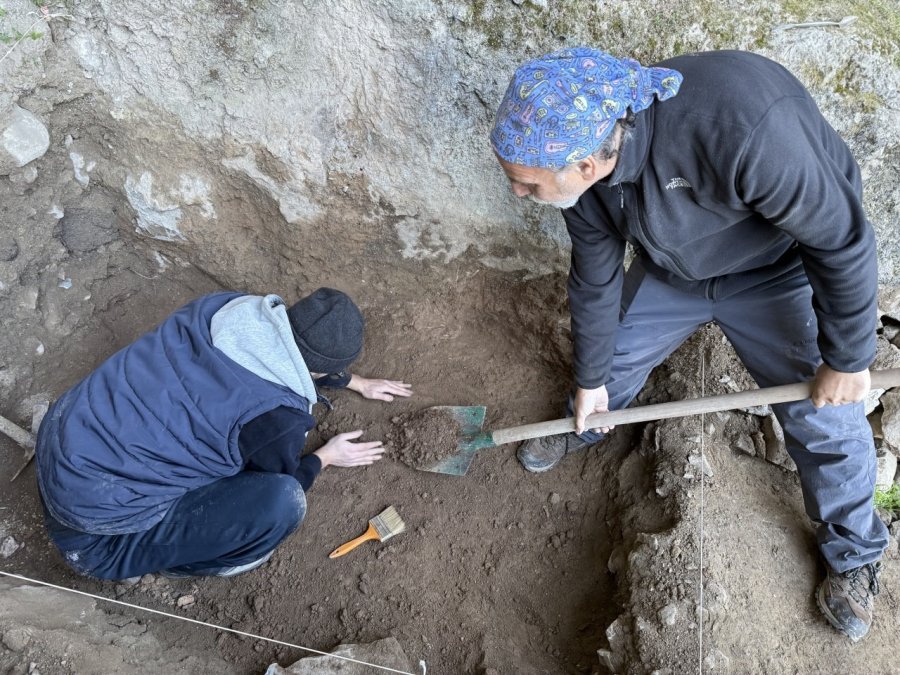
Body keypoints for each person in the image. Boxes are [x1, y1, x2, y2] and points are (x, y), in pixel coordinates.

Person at [490, 48, 886, 642]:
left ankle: (855, 556)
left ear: (586, 163)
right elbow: (595, 277)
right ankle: (591, 423)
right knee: (610, 360)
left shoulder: (743, 125)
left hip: (775, 269)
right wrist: (591, 379)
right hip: (673, 270)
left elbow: (842, 240)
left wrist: (848, 358)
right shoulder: (586, 181)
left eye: (525, 184)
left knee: (823, 413)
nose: (519, 194)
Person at [35, 288, 412, 580]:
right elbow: (279, 478)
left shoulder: (224, 308)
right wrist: (325, 457)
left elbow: (292, 351)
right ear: (318, 371)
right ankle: (186, 564)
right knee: (281, 504)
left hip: (62, 439)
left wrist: (355, 382)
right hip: (95, 536)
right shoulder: (275, 419)